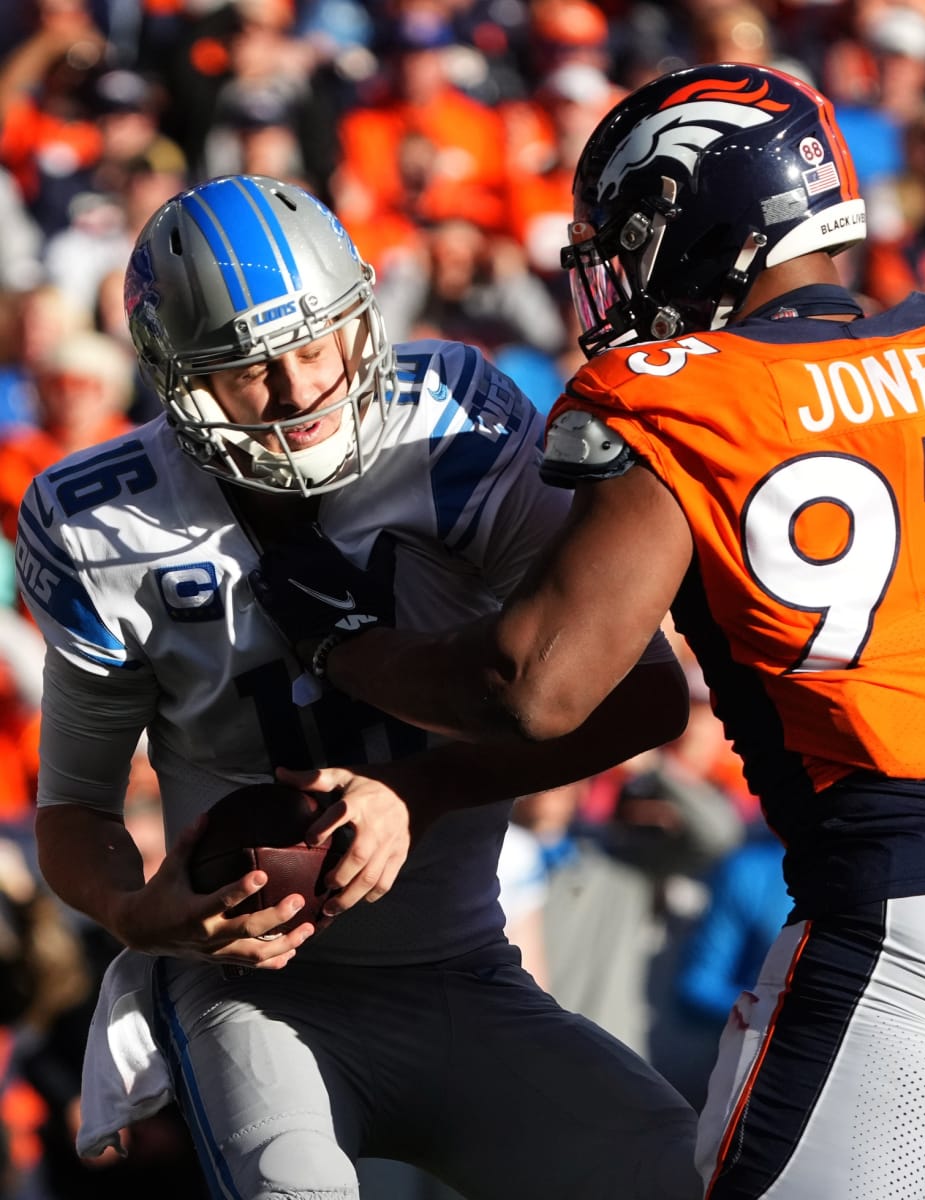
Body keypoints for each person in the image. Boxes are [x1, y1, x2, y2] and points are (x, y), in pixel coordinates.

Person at [250, 65, 925, 1200]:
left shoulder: (679, 391)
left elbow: (535, 685)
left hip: (913, 913)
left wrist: (341, 641)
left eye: (625, 234)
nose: (612, 270)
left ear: (699, 217)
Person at [15, 173, 700, 1200]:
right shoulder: (102, 523)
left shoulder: (454, 423)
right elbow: (75, 808)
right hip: (256, 996)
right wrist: (131, 910)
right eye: (248, 368)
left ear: (362, 314)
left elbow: (643, 696)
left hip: (468, 967)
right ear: (175, 374)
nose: (298, 390)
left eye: (314, 342)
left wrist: (416, 794)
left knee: (672, 1171)